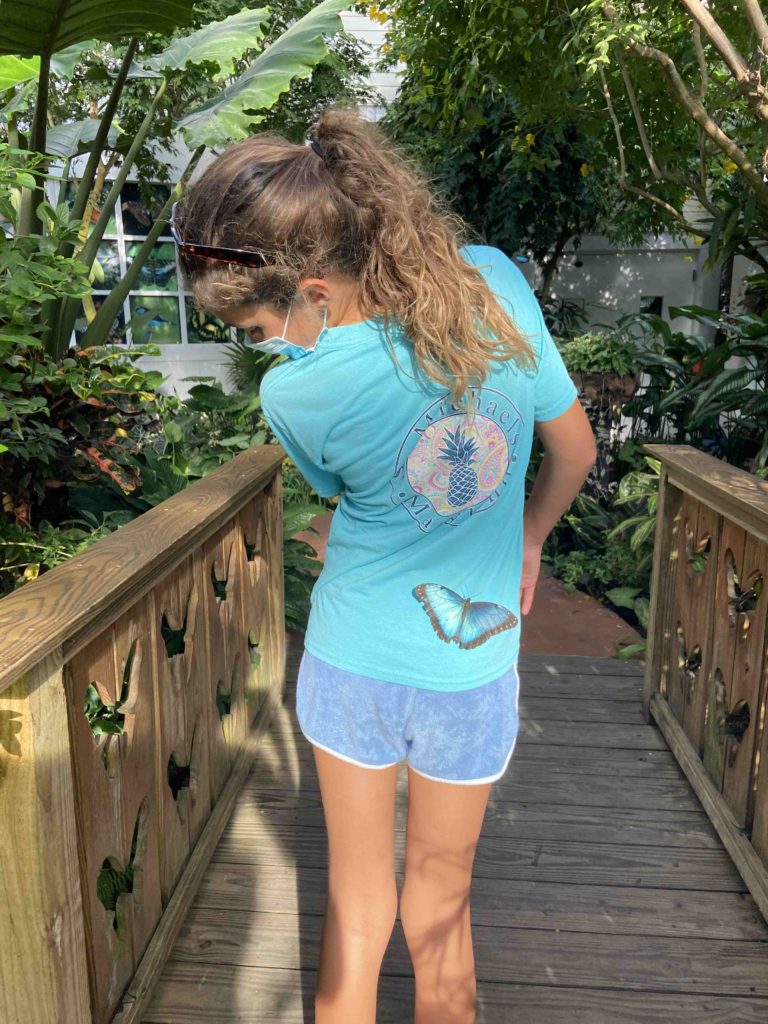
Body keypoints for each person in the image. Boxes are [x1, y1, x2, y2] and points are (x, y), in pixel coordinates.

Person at [172, 103, 597, 1024]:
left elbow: (353, 493)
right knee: (440, 912)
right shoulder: (493, 281)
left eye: (257, 327)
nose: (263, 347)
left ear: (313, 291)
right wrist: (528, 539)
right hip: (470, 661)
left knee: (357, 908)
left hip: (353, 659)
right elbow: (575, 450)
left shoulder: (298, 392)